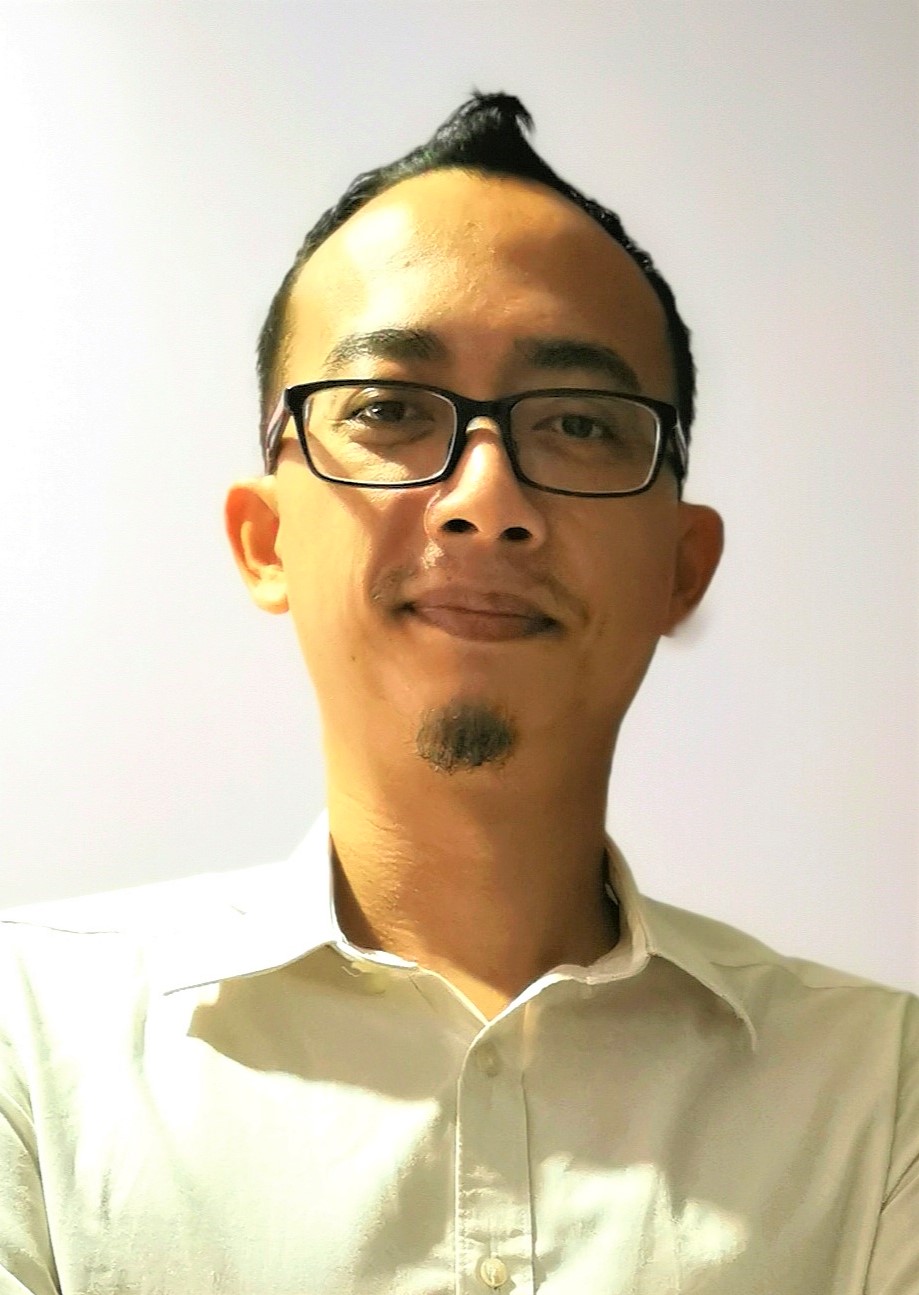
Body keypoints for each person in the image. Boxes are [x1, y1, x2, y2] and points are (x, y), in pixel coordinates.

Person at [1, 91, 915, 1295]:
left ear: (681, 567)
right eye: (388, 409)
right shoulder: (30, 1046)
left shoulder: (879, 1095)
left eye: (579, 421)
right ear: (264, 540)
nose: (487, 498)